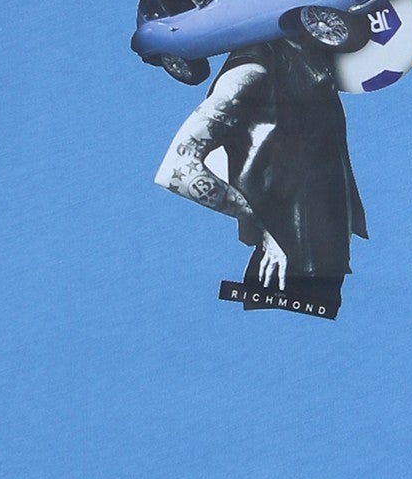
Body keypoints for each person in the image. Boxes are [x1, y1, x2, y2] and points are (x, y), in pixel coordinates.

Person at [155, 37, 367, 311]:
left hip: (323, 258)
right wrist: (264, 224)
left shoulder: (306, 54)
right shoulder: (250, 71)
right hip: (289, 268)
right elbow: (175, 168)